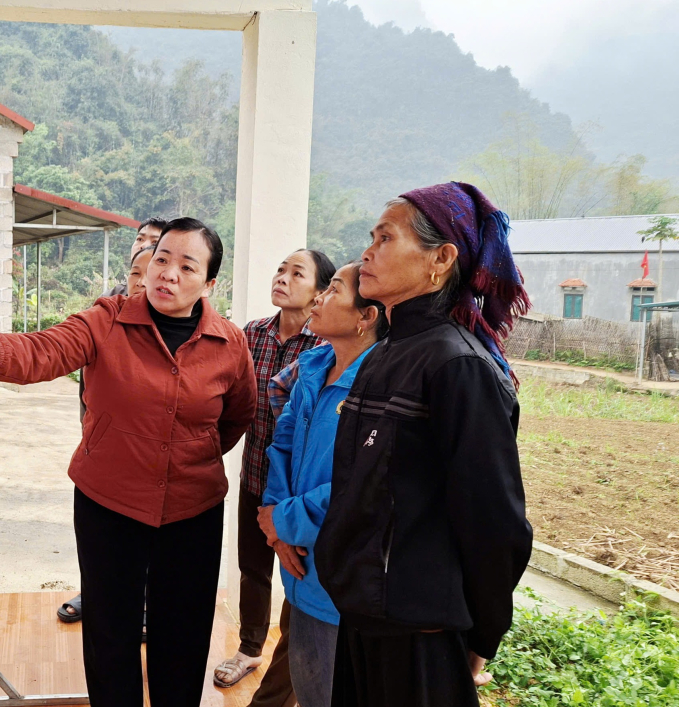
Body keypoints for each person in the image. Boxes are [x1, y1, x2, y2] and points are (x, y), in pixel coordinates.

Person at [0, 217, 257, 707]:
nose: (168, 274)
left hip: (193, 509)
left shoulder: (230, 344)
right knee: (111, 632)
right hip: (110, 503)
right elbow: (48, 349)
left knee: (183, 635)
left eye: (186, 267)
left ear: (210, 284)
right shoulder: (108, 320)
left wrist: (190, 456)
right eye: (162, 259)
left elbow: (236, 419)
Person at [314, 183, 533, 707]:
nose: (367, 252)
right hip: (366, 614)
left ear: (440, 259)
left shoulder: (457, 365)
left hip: (420, 635)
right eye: (371, 237)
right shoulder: (392, 351)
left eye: (386, 238)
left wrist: (484, 632)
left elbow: (495, 520)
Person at [257, 263, 387, 707]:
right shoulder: (313, 365)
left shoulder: (383, 385)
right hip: (299, 565)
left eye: (331, 290)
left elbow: (363, 488)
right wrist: (276, 523)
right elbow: (283, 444)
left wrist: (284, 521)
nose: (318, 298)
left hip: (340, 580)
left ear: (364, 318)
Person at [213, 250, 334, 701]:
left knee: (298, 572)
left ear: (320, 291)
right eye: (280, 268)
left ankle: (288, 664)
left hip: (298, 492)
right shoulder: (251, 335)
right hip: (256, 475)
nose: (281, 277)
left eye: (296, 273)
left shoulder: (324, 346)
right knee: (252, 567)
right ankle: (248, 649)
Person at [60, 221, 166, 624]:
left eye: (153, 248)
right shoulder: (108, 307)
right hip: (103, 441)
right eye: (139, 241)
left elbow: (232, 415)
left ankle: (143, 606)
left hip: (154, 458)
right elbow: (60, 347)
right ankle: (101, 595)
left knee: (148, 539)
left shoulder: (194, 328)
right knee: (106, 542)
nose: (142, 278)